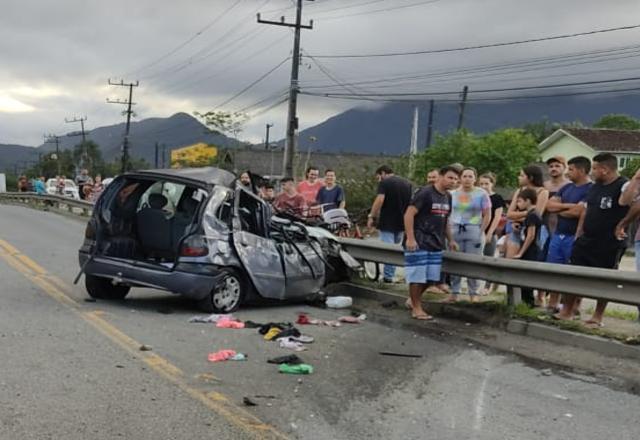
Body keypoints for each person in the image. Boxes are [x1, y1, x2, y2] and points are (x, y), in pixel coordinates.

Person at [555, 154, 629, 326]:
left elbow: (634, 206)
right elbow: (586, 210)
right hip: (586, 239)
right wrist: (579, 232)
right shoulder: (595, 187)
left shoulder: (623, 185)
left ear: (605, 169)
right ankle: (567, 310)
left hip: (610, 242)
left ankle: (597, 316)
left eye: (595, 168)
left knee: (605, 279)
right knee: (575, 274)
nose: (592, 172)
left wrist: (623, 225)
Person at [404, 165, 460, 320]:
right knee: (417, 277)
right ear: (441, 176)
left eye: (456, 179)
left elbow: (446, 220)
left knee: (432, 278)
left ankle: (412, 300)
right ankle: (417, 308)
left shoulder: (448, 196)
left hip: (436, 242)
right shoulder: (425, 193)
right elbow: (409, 214)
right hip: (419, 240)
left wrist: (451, 239)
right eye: (450, 177)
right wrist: (410, 237)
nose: (453, 181)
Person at [544, 156, 592, 312]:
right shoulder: (566, 188)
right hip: (558, 234)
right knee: (554, 270)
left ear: (581, 170)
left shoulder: (591, 189)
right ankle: (552, 304)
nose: (568, 172)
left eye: (571, 169)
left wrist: (562, 209)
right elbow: (550, 206)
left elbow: (579, 212)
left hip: (575, 236)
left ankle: (573, 307)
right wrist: (569, 207)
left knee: (573, 272)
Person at [446, 167, 492, 302]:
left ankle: (474, 293)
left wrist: (481, 230)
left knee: (473, 262)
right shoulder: (451, 194)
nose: (467, 179)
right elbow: (448, 213)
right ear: (460, 178)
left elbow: (487, 214)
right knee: (455, 261)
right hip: (455, 229)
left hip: (474, 229)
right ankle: (454, 292)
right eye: (465, 176)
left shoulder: (481, 193)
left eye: (470, 176)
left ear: (475, 178)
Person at [367, 165, 413, 283]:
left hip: (387, 221)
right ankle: (391, 273)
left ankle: (388, 277)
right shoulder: (407, 183)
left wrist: (372, 216)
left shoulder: (385, 183)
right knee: (396, 249)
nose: (379, 180)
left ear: (383, 173)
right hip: (402, 222)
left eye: (378, 177)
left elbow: (380, 200)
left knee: (388, 250)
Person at [506, 165, 549, 259]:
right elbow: (509, 214)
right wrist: (526, 214)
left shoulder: (542, 192)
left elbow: (537, 215)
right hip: (518, 229)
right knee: (510, 258)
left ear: (530, 178)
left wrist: (520, 216)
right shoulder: (520, 191)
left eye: (522, 176)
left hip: (533, 230)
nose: (519, 178)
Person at [512, 188, 543, 307]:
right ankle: (526, 301)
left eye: (519, 201)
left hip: (531, 250)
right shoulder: (531, 214)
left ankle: (528, 303)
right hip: (531, 248)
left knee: (526, 278)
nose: (518, 204)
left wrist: (521, 252)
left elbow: (531, 236)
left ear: (528, 201)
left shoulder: (532, 215)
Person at [478, 172, 505, 294]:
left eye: (486, 183)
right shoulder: (477, 196)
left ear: (492, 184)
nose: (484, 186)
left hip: (490, 232)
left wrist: (489, 233)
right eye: (481, 184)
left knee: (489, 259)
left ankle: (487, 286)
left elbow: (497, 217)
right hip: (477, 231)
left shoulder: (497, 198)